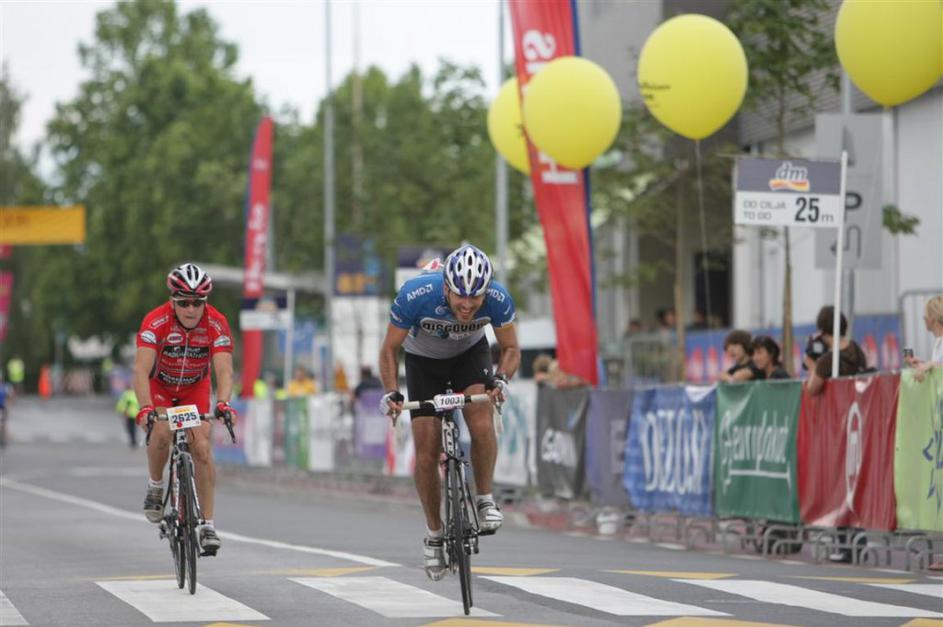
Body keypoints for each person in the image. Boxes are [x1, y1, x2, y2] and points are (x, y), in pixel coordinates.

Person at [378, 244, 520, 581]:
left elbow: (511, 347)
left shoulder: (498, 298)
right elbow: (389, 349)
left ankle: (484, 498)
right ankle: (434, 532)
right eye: (460, 297)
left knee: (481, 418)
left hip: (469, 355)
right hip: (423, 361)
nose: (468, 306)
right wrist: (391, 392)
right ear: (446, 287)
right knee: (427, 451)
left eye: (476, 298)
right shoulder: (416, 294)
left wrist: (501, 379)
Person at [134, 262, 237, 556]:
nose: (191, 310)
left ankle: (207, 525)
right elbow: (141, 370)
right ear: (172, 301)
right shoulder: (156, 321)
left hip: (194, 389)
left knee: (201, 447)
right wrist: (145, 408)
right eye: (184, 303)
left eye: (197, 303)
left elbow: (224, 371)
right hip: (161, 388)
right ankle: (156, 485)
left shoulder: (216, 323)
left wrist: (223, 402)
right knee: (161, 432)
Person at [805, 306, 868, 396]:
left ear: (822, 332)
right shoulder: (856, 349)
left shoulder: (827, 360)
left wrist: (812, 366)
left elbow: (811, 390)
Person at [905, 294, 943, 382]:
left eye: (925, 314)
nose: (923, 318)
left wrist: (930, 364)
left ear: (932, 319)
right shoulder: (938, 341)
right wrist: (922, 365)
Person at [116, 385, 140, 449]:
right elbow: (138, 404)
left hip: (128, 414)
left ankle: (133, 441)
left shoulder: (126, 395)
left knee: (129, 428)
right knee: (133, 428)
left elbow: (121, 404)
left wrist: (121, 411)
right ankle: (134, 441)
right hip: (135, 414)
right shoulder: (135, 394)